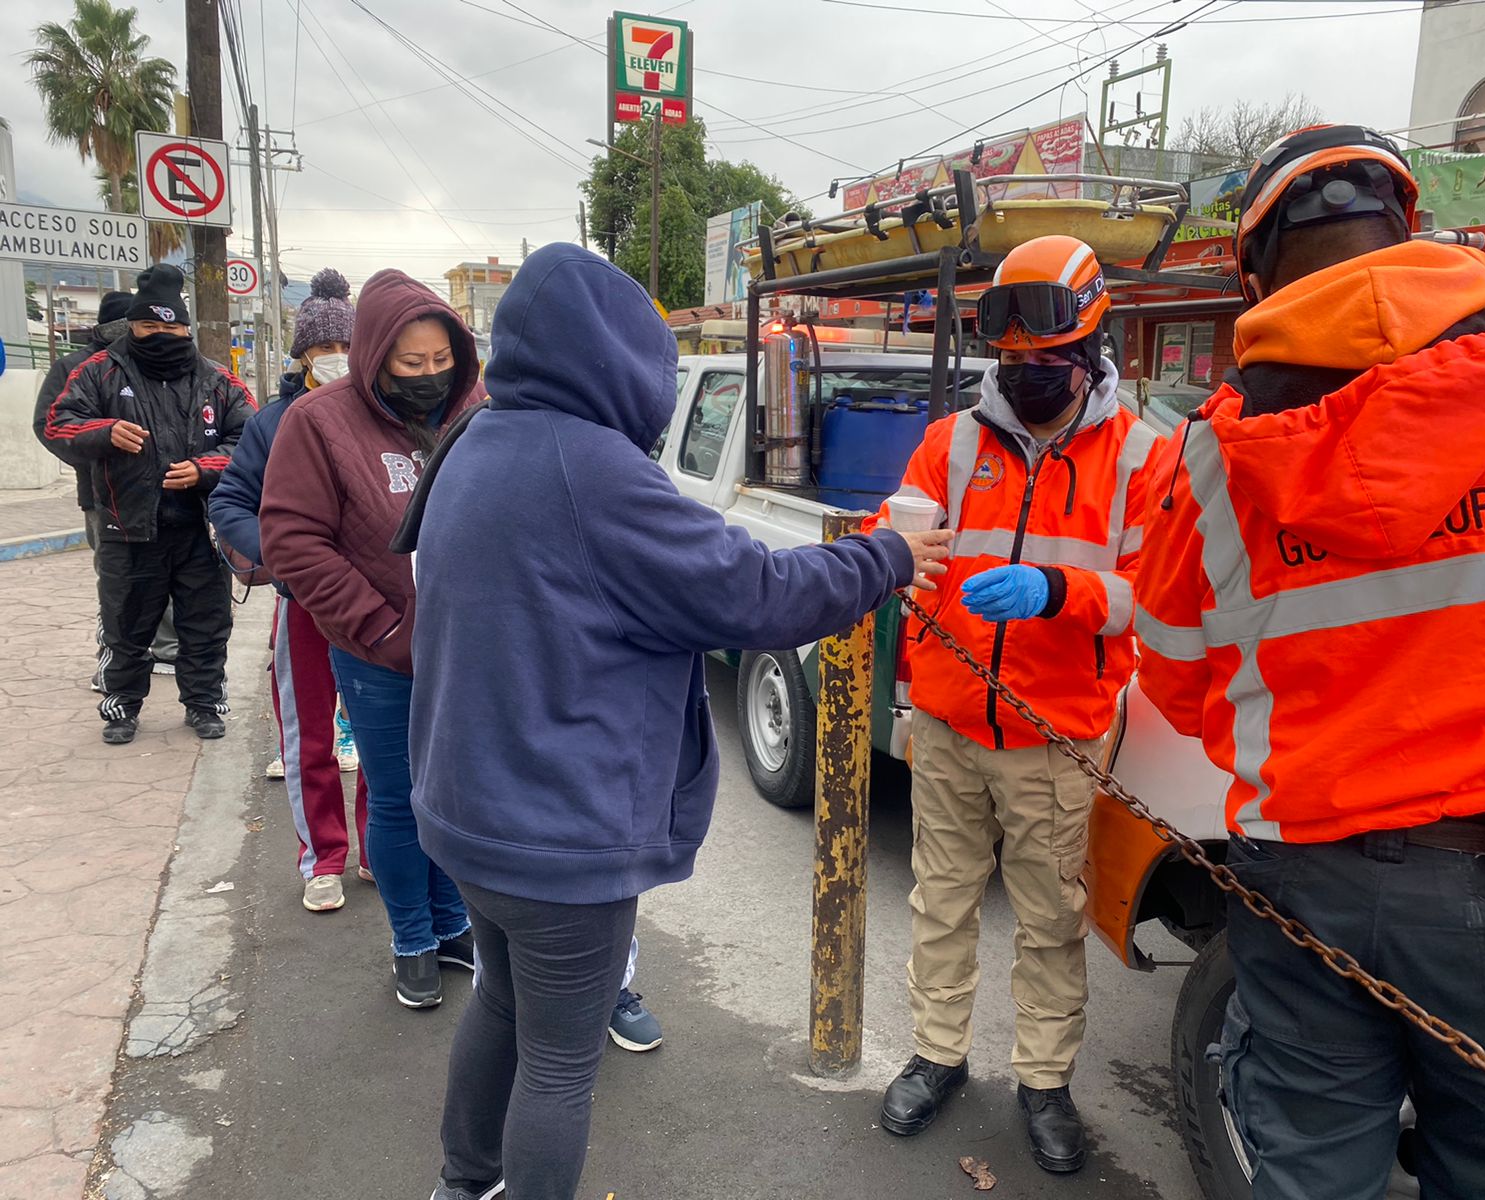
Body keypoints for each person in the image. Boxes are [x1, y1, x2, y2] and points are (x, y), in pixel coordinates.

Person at [399, 243, 952, 1200]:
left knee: (498, 1001)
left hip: (465, 811)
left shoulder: (477, 439)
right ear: (612, 358)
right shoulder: (592, 467)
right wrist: (886, 556)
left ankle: (463, 1183)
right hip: (557, 834)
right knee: (564, 1060)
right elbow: (759, 593)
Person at [1134, 123, 1485, 1199]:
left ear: (1255, 269)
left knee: (1306, 1167)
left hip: (1310, 870)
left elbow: (1170, 669)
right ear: (1405, 223)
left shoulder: (1211, 457)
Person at [867, 235, 1162, 1175]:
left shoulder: (1140, 458)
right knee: (941, 901)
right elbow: (896, 533)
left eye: (1045, 363)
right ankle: (937, 1055)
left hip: (1056, 737)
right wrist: (897, 558)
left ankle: (1044, 1081)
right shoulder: (953, 441)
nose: (1025, 377)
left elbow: (1157, 593)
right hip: (954, 723)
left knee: (1048, 920)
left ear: (1089, 355)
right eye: (1011, 363)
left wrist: (1059, 593)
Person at [260, 268, 485, 1006]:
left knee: (453, 797)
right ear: (374, 354)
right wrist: (384, 630)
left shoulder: (477, 409)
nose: (429, 376)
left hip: (463, 651)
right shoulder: (318, 421)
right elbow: (293, 542)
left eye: (440, 361)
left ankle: (452, 923)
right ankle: (412, 939)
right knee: (397, 798)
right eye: (410, 363)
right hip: (378, 653)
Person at [210, 267, 371, 915]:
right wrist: (285, 555)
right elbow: (231, 500)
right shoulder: (272, 424)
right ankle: (323, 859)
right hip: (304, 606)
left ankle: (379, 850)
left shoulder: (382, 416)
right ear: (302, 354)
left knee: (383, 738)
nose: (334, 360)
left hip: (374, 609)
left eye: (344, 348)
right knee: (309, 740)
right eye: (322, 350)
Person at [44, 264, 255, 744]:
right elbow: (57, 423)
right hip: (127, 529)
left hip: (201, 530)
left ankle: (204, 705)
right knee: (126, 626)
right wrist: (103, 433)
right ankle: (121, 709)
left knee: (206, 626)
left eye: (171, 327)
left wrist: (205, 469)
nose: (162, 335)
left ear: (186, 328)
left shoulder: (219, 381)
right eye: (149, 326)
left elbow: (252, 440)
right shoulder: (98, 372)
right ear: (132, 327)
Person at [33, 290, 180, 688]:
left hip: (171, 497)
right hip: (107, 499)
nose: (153, 334)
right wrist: (102, 448)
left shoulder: (165, 364)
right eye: (143, 325)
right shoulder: (79, 367)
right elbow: (52, 425)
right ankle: (114, 666)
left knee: (170, 579)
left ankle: (167, 651)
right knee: (117, 589)